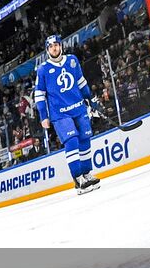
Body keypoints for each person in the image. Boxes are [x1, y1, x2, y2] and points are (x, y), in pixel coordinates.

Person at [34, 34, 101, 193]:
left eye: (56, 45)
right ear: (47, 50)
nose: (54, 48)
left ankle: (86, 174)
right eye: (51, 46)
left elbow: (81, 82)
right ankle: (78, 179)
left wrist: (90, 99)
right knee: (72, 141)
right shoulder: (43, 69)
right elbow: (39, 94)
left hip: (78, 107)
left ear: (61, 46)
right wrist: (43, 116)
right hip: (60, 113)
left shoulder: (72, 60)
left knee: (85, 139)